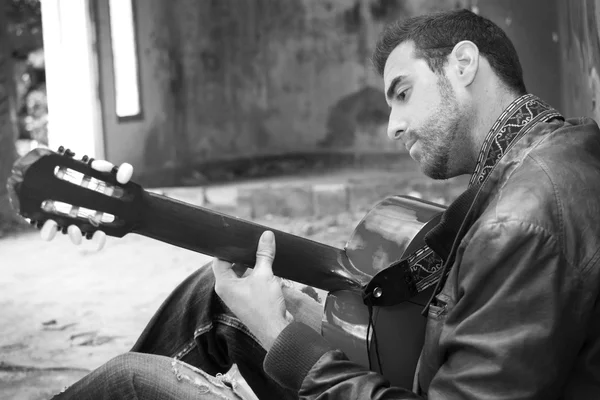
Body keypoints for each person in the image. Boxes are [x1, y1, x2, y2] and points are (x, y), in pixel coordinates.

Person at [46, 8, 600, 399]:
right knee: (212, 294)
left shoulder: (518, 222)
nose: (392, 126)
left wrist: (281, 336)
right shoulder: (554, 149)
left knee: (129, 381)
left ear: (462, 63)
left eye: (402, 92)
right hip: (417, 368)